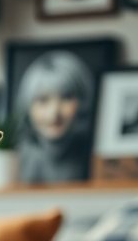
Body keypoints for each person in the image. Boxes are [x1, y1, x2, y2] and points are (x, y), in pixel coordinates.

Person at [15, 50, 95, 183]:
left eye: (66, 97)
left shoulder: (95, 159)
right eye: (43, 99)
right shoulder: (14, 161)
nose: (54, 113)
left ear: (83, 101)